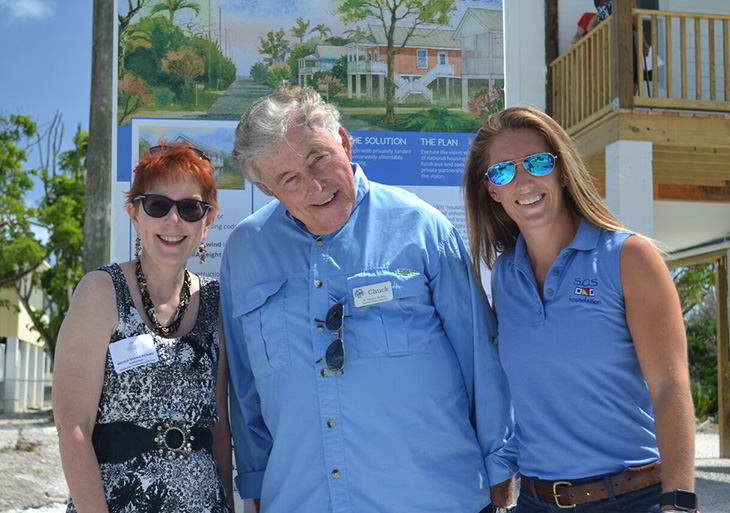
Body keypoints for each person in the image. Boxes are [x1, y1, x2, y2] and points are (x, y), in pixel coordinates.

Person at [221, 86, 517, 513]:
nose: (316, 186)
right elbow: (245, 389)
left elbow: (481, 360)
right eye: (290, 180)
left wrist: (501, 479)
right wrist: (255, 491)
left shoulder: (422, 227)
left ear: (343, 140)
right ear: (269, 189)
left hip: (434, 501)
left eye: (318, 158)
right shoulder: (246, 249)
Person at [462, 106, 697, 512]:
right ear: (492, 190)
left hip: (629, 499)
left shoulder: (629, 258)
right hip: (534, 501)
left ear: (562, 170)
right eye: (503, 171)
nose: (524, 180)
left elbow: (670, 390)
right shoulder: (505, 276)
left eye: (537, 162)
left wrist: (679, 503)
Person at [53, 144, 234, 512]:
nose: (173, 220)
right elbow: (73, 428)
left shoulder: (217, 302)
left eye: (190, 208)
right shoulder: (101, 291)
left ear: (208, 222)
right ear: (135, 214)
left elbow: (218, 426)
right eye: (157, 205)